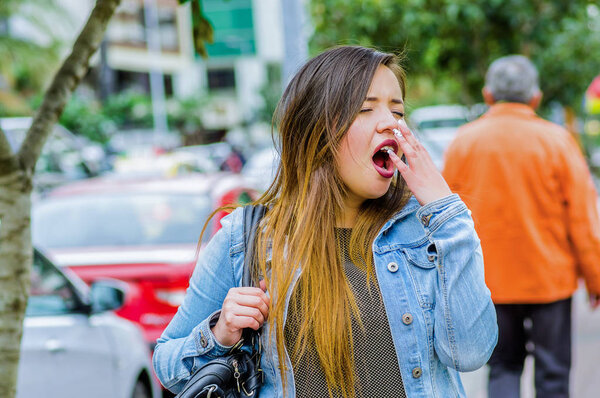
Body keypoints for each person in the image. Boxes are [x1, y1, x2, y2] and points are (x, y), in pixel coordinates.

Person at [153, 45, 498, 398]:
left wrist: (446, 212)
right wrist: (221, 332)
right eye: (366, 108)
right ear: (317, 130)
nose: (391, 123)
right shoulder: (247, 239)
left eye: (398, 110)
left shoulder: (424, 229)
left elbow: (470, 353)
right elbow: (168, 365)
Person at [443, 55, 600, 398]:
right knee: (553, 374)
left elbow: (444, 217)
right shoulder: (557, 141)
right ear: (535, 97)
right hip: (550, 282)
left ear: (488, 96)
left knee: (502, 368)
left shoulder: (463, 143)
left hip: (489, 283)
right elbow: (583, 219)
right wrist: (595, 278)